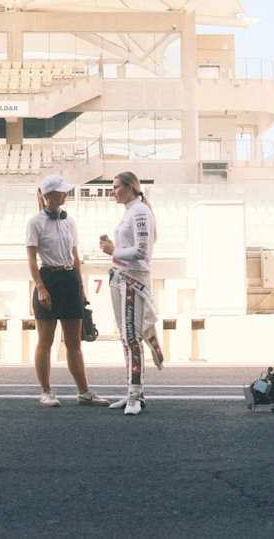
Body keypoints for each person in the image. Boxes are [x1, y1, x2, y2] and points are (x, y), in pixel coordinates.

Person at [26, 175, 108, 408]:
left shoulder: (69, 221)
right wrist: (41, 287)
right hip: (49, 279)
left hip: (69, 278)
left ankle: (84, 392)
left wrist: (80, 288)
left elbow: (76, 257)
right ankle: (46, 391)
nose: (65, 194)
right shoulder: (35, 222)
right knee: (45, 341)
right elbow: (31, 260)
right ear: (49, 195)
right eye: (61, 192)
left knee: (74, 342)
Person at [99, 171, 165, 416]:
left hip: (133, 279)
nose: (113, 191)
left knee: (131, 338)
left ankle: (135, 395)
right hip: (121, 277)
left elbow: (141, 252)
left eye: (116, 187)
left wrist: (112, 251)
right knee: (126, 338)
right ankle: (133, 392)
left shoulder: (139, 212)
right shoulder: (131, 211)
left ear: (130, 187)